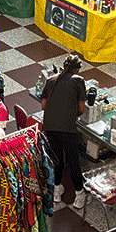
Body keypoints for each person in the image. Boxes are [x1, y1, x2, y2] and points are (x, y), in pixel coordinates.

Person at [42, 54, 89, 210]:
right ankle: (79, 194)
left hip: (49, 126)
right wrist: (72, 114)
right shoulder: (78, 81)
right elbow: (82, 108)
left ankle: (56, 190)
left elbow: (43, 105)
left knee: (57, 159)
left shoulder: (50, 80)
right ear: (77, 69)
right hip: (67, 128)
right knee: (73, 160)